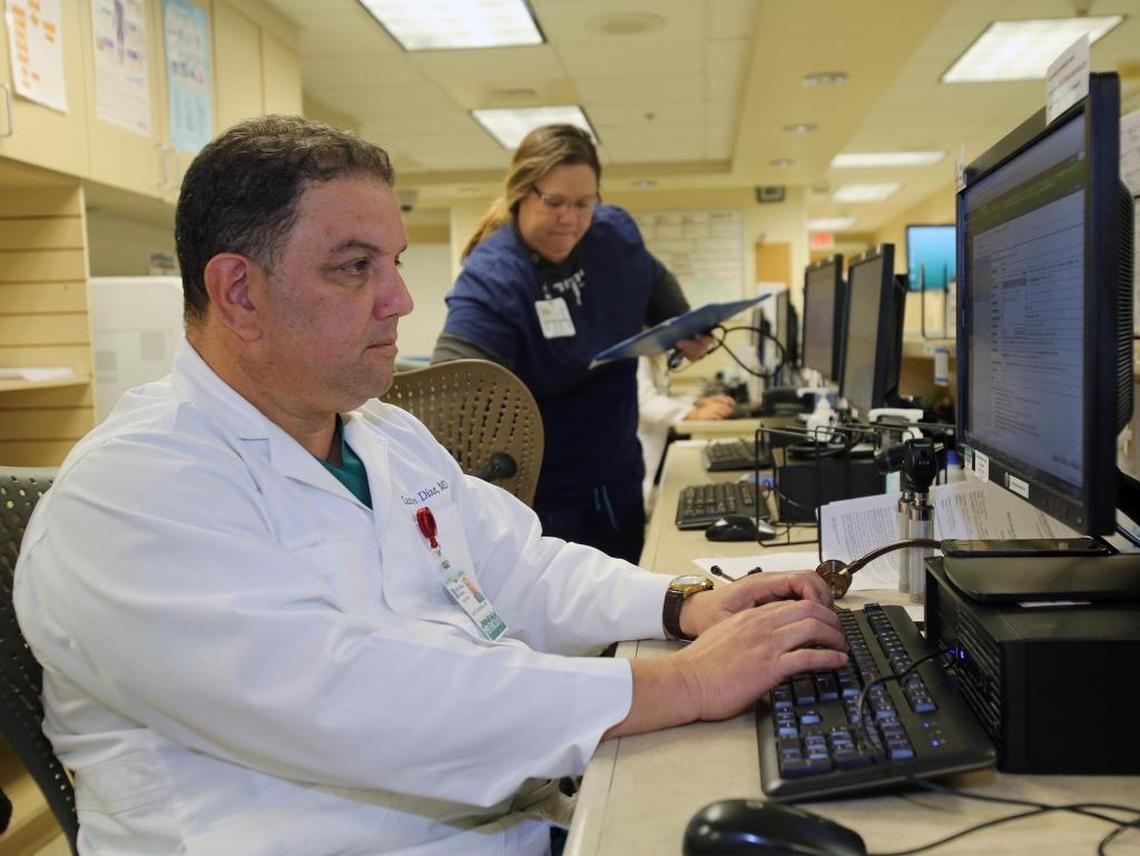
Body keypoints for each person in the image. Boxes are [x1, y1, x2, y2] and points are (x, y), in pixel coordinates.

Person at [13, 115, 847, 856]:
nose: (401, 301)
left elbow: (522, 568)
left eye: (395, 263)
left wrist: (684, 603)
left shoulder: (381, 436)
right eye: (354, 267)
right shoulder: (129, 498)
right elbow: (361, 703)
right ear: (238, 291)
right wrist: (689, 682)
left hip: (504, 818)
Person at [432, 124, 707, 564]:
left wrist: (683, 324)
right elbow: (455, 393)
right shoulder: (495, 276)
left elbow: (650, 277)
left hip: (616, 470)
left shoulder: (611, 235)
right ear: (522, 192)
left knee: (627, 609)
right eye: (555, 202)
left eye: (584, 204)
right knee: (569, 622)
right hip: (543, 494)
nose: (571, 219)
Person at [636, 355, 735, 506]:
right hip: (635, 451)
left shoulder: (647, 357)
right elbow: (645, 403)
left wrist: (697, 403)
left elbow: (660, 396)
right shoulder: (639, 358)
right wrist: (693, 413)